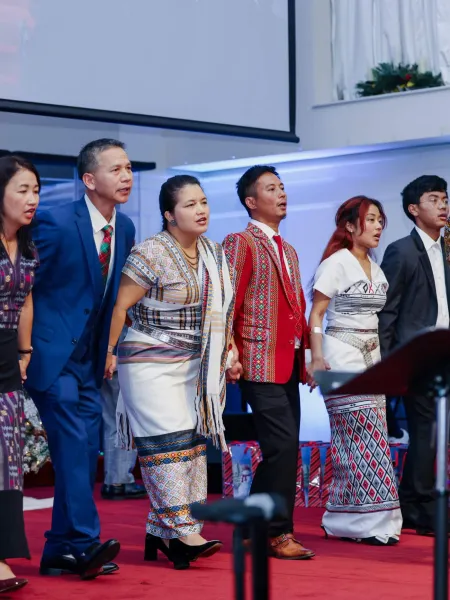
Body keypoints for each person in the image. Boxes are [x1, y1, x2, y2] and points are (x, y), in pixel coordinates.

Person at [107, 174, 237, 570]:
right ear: (169, 214)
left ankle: (163, 532)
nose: (201, 210)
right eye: (190, 205)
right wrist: (109, 352)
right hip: (147, 358)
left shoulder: (214, 252)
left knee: (191, 445)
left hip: (194, 363)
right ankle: (183, 532)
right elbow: (120, 306)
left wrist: (229, 350)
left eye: (203, 202)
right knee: (165, 444)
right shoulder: (151, 251)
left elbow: (223, 311)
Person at [25, 139, 136, 579]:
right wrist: (24, 349)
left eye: (129, 168)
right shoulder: (54, 222)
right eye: (116, 169)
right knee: (73, 444)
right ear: (89, 180)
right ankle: (86, 542)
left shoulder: (125, 227)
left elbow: (111, 299)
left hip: (92, 361)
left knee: (87, 452)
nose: (126, 176)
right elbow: (26, 286)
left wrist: (108, 350)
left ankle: (59, 550)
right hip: (52, 356)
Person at [222, 165, 315, 560]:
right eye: (271, 188)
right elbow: (227, 302)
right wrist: (230, 352)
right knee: (282, 446)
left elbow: (298, 309)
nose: (281, 194)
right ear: (251, 201)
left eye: (282, 187)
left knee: (283, 447)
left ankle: (250, 527)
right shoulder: (240, 242)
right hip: (257, 359)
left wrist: (307, 358)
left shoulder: (288, 249)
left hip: (287, 361)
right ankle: (278, 533)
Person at [308, 196, 402, 545]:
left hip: (372, 355)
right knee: (360, 435)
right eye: (371, 219)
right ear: (350, 226)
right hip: (342, 352)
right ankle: (364, 522)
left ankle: (351, 519)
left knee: (372, 437)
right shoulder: (336, 263)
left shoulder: (375, 267)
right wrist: (316, 358)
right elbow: (317, 314)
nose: (378, 226)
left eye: (380, 220)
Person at [379, 175, 450, 536]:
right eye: (434, 199)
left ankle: (415, 500)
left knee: (437, 432)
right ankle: (421, 505)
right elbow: (387, 312)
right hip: (418, 356)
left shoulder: (448, 249)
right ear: (413, 209)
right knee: (427, 431)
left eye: (445, 198)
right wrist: (387, 365)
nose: (443, 205)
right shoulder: (401, 251)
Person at [0, 155, 40, 594]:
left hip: (8, 358)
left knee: (7, 462)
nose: (32, 199)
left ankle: (3, 553)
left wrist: (25, 352)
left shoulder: (27, 245)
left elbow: (26, 300)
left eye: (36, 191)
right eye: (22, 190)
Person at [100, 324, 146, 501]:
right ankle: (120, 480)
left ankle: (113, 480)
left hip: (105, 355)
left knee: (112, 421)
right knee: (125, 420)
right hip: (122, 355)